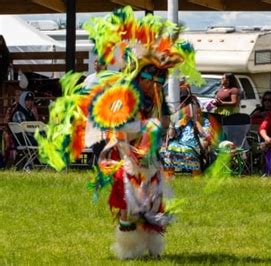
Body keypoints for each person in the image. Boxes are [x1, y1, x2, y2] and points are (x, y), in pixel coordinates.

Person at [36, 7, 201, 259]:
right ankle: (128, 250)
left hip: (150, 160)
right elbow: (120, 130)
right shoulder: (126, 97)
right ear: (139, 75)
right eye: (151, 77)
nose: (155, 83)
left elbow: (164, 123)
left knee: (154, 203)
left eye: (160, 78)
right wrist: (147, 129)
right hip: (126, 158)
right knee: (130, 206)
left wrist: (161, 123)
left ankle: (152, 248)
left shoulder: (156, 99)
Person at [161, 85, 211, 177]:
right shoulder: (181, 119)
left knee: (188, 151)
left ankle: (197, 178)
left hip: (194, 144)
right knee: (169, 151)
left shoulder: (204, 121)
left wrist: (196, 121)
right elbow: (172, 135)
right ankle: (168, 179)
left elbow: (206, 135)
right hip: (178, 143)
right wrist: (172, 124)